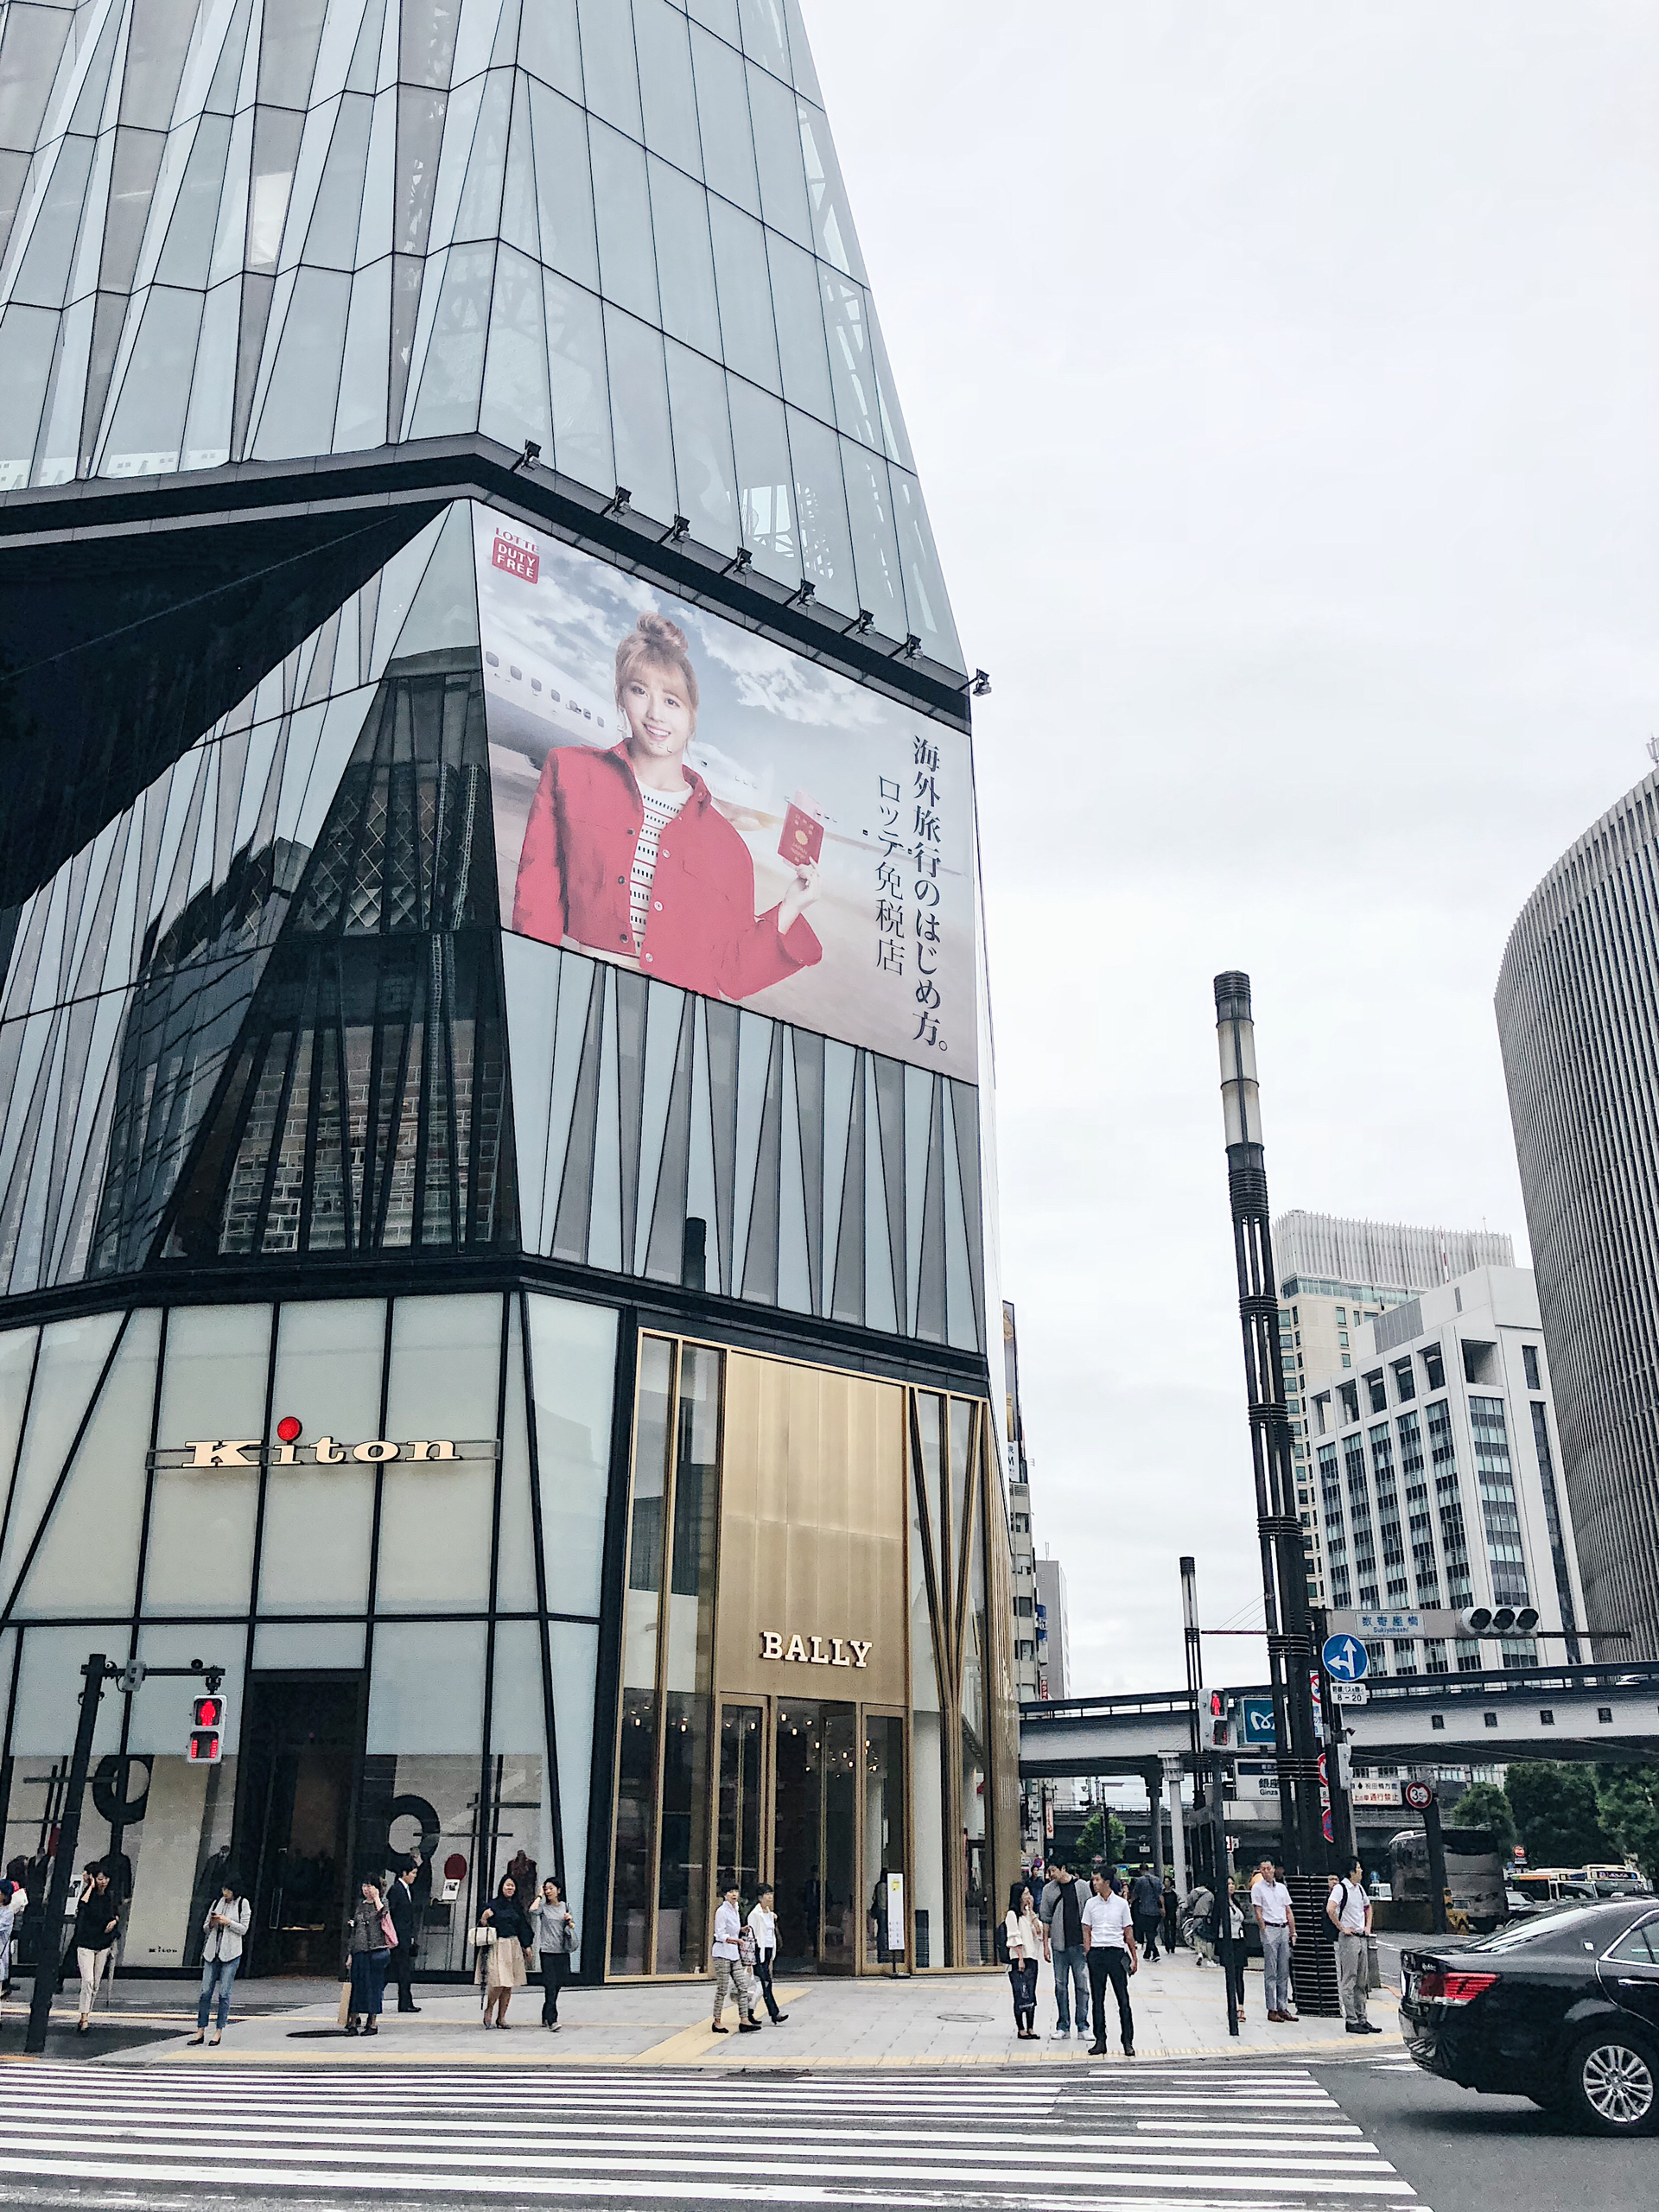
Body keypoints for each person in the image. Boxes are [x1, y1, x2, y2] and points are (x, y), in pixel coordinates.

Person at [512, 612, 823, 1003]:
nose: (656, 714)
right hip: (583, 998)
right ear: (621, 696)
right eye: (640, 691)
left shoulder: (728, 846)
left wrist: (793, 904)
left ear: (692, 717)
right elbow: (537, 900)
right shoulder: (570, 774)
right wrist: (534, 986)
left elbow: (733, 972)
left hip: (680, 1022)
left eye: (672, 701)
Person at [187, 1879, 251, 2046]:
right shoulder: (217, 1903)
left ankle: (218, 2031)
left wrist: (227, 1922)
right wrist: (213, 1922)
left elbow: (244, 1929)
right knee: (205, 1992)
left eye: (228, 1890)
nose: (225, 1893)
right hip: (212, 1952)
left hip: (231, 1953)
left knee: (224, 1994)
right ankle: (200, 2030)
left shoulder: (243, 1903)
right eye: (223, 1889)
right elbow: (205, 1927)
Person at [1082, 1872, 1137, 2056]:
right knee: (1098, 1999)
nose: (1094, 1883)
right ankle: (1100, 2040)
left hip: (1116, 1952)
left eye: (1097, 1879)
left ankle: (1127, 2041)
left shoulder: (1121, 1904)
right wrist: (1088, 1951)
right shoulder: (1091, 1904)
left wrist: (1134, 1957)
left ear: (1107, 1882)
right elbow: (1086, 1929)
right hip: (1097, 1953)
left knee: (1123, 1999)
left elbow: (1128, 1931)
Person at [1038, 1859, 1090, 2040]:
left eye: (1053, 1870)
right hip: (1059, 1945)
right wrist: (1045, 1945)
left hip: (1080, 1945)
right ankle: (1063, 2026)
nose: (1051, 1875)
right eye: (1049, 1871)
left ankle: (1083, 2025)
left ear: (1063, 1868)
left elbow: (1090, 1916)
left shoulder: (1083, 1887)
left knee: (1082, 1986)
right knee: (1061, 1986)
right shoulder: (1048, 1890)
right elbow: (1045, 1919)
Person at [1327, 1859, 1380, 2034]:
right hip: (1349, 1938)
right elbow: (1330, 1908)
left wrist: (1367, 1927)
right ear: (1351, 1871)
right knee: (1349, 1979)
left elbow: (1368, 1907)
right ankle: (1351, 2019)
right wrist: (1342, 1927)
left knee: (1361, 1980)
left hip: (1360, 1936)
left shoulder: (1359, 1889)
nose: (1361, 1871)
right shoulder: (1341, 1889)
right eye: (1358, 1868)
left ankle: (1362, 2017)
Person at [478, 1874, 531, 2029]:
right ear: (502, 1887)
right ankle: (489, 2008)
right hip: (498, 1945)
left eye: (512, 1885)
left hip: (513, 1945)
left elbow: (523, 1927)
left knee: (508, 1984)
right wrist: (484, 1918)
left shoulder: (517, 1906)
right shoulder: (492, 1905)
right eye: (507, 1885)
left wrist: (526, 1946)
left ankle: (501, 2018)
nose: (510, 1888)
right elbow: (483, 1926)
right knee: (499, 1982)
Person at [73, 1865, 120, 2034]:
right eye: (100, 1878)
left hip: (103, 1943)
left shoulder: (110, 1897)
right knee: (88, 1980)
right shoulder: (87, 1895)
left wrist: (114, 1922)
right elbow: (82, 1908)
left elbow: (116, 1914)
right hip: (86, 1943)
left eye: (105, 1878)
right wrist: (91, 1886)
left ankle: (86, 2014)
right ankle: (84, 2017)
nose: (104, 1882)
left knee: (96, 1984)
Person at [710, 1881, 761, 2034]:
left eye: (736, 1892)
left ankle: (744, 2020)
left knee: (742, 1985)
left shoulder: (736, 1909)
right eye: (730, 1892)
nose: (734, 1895)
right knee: (722, 1988)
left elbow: (732, 1930)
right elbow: (719, 1934)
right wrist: (736, 1940)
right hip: (722, 1953)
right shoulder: (721, 1911)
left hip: (734, 1953)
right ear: (725, 1895)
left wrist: (741, 1930)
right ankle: (717, 2021)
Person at [1252, 1857, 1299, 2023]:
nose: (1266, 1872)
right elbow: (1258, 1911)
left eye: (1268, 1868)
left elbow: (1288, 1910)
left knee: (1284, 1970)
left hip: (1283, 1928)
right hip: (1270, 1927)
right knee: (1271, 1970)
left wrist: (1293, 1932)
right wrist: (1264, 1930)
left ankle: (1282, 2006)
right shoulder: (1257, 1888)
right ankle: (1271, 2008)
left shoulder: (1281, 1888)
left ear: (1273, 1869)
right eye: (1262, 1869)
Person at [346, 1879, 391, 2037]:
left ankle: (372, 2022)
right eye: (364, 1885)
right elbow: (354, 1929)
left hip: (376, 1951)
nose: (366, 1889)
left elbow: (383, 1914)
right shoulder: (359, 1904)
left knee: (374, 1987)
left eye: (370, 1886)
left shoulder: (383, 1902)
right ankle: (353, 2020)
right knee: (357, 1987)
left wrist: (377, 1898)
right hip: (359, 1950)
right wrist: (350, 1954)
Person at [531, 1877, 577, 2030]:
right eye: (546, 1888)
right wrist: (539, 1896)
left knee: (558, 1984)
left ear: (558, 1890)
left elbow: (571, 1925)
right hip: (547, 1950)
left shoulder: (565, 1906)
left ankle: (546, 2012)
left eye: (551, 1888)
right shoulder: (543, 1907)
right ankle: (552, 2020)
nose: (548, 1891)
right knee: (550, 1985)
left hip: (562, 1950)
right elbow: (532, 1910)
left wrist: (570, 1921)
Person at [1004, 1882, 1043, 2039]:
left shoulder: (1028, 1914)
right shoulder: (1012, 1915)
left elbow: (1038, 1932)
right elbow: (1014, 1937)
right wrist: (1020, 1958)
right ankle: (1021, 2028)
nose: (1029, 1897)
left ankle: (1031, 2027)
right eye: (1025, 1894)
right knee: (1020, 1992)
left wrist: (1032, 1913)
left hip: (1032, 1957)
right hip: (1019, 1958)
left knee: (1031, 1993)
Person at [747, 1885, 787, 2024]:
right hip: (758, 1951)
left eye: (771, 1894)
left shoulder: (770, 1914)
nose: (770, 1897)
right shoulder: (754, 1915)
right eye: (767, 1894)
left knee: (764, 1984)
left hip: (768, 1951)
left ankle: (749, 2012)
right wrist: (750, 1961)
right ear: (760, 1897)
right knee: (765, 1983)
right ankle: (773, 2013)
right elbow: (751, 1938)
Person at [386, 1857, 421, 2014]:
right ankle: (405, 2002)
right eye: (412, 1873)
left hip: (405, 1937)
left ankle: (406, 2002)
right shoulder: (396, 1890)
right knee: (396, 1971)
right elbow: (392, 1914)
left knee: (404, 1971)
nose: (414, 1876)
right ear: (404, 1873)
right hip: (398, 1937)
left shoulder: (407, 1890)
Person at [1212, 1874, 1247, 2017]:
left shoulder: (1236, 1903)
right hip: (1227, 1941)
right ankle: (1231, 2005)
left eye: (1233, 1883)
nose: (1231, 1886)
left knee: (1240, 1975)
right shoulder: (1220, 1904)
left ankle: (1241, 2006)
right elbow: (1214, 1922)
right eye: (1228, 1884)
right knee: (1231, 1974)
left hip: (1239, 1941)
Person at [1128, 1866, 1163, 1961]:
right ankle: (1148, 1953)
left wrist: (1130, 1901)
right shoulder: (1157, 1880)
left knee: (1148, 1932)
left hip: (1144, 1909)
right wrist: (1162, 1908)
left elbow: (1135, 1894)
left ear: (1140, 1870)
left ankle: (1155, 1953)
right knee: (1152, 1931)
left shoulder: (1140, 1881)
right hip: (1156, 1910)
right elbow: (1161, 1895)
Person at [1161, 1872, 1180, 1955]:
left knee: (1173, 1929)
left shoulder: (1174, 1894)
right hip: (1165, 1913)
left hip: (1172, 1913)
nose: (1166, 1884)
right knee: (1166, 1929)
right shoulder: (1162, 1894)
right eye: (1165, 1882)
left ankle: (1173, 1946)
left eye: (1168, 1882)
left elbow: (1176, 1903)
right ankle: (1167, 1945)